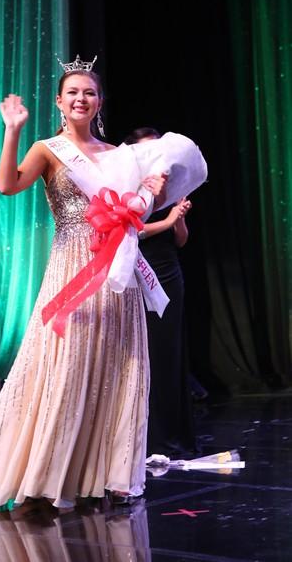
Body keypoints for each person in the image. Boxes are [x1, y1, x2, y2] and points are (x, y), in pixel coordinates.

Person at [0, 56, 167, 511]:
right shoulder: (48, 149)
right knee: (65, 365)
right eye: (72, 92)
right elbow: (8, 185)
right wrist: (12, 130)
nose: (81, 99)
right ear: (59, 101)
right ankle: (50, 474)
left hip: (116, 273)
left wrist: (153, 190)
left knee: (117, 367)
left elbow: (134, 212)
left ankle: (111, 474)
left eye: (89, 92)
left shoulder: (120, 155)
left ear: (99, 102)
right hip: (71, 269)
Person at [124, 126, 199, 459]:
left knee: (170, 352)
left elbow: (180, 240)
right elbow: (132, 232)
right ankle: (146, 437)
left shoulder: (171, 188)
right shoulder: (130, 189)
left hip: (170, 274)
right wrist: (167, 221)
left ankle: (172, 433)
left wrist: (178, 219)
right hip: (140, 273)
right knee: (145, 353)